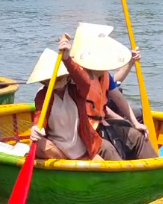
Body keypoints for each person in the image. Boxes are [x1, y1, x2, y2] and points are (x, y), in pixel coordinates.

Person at [58, 23, 156, 161]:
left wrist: (135, 123)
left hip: (101, 123)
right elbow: (69, 73)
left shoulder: (104, 74)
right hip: (82, 131)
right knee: (108, 149)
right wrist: (66, 58)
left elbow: (119, 98)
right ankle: (122, 172)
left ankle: (154, 167)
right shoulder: (75, 74)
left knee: (137, 136)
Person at [25, 47, 118, 161]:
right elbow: (40, 116)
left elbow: (84, 81)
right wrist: (36, 128)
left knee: (107, 151)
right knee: (39, 143)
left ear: (67, 76)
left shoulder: (76, 90)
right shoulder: (43, 95)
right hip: (58, 147)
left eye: (60, 77)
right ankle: (65, 163)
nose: (56, 81)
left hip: (82, 145)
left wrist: (66, 58)